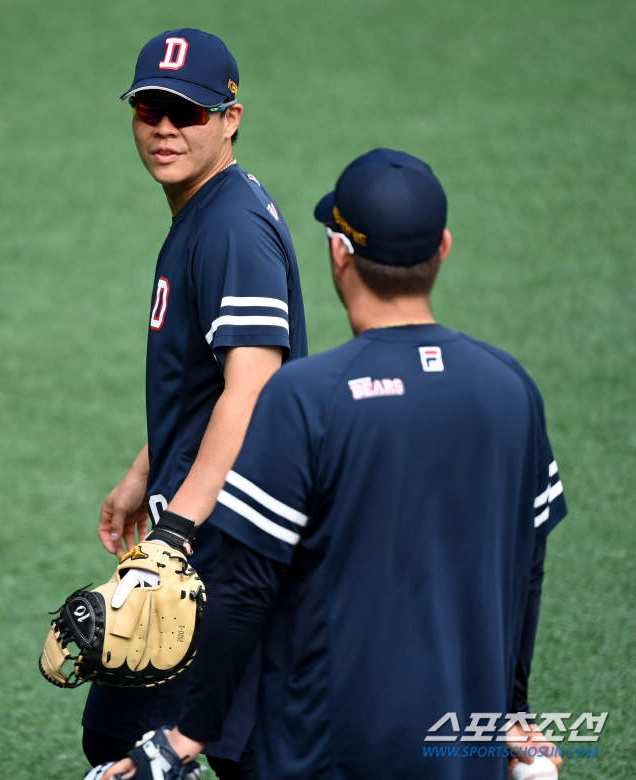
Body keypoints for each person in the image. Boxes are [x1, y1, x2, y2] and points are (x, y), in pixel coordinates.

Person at [100, 148, 566, 780]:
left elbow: (247, 588)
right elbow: (528, 569)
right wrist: (513, 710)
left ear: (338, 253)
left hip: (332, 743)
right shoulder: (511, 389)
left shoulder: (306, 398)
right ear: (444, 248)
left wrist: (187, 736)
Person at [81, 28, 307, 780]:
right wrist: (145, 470)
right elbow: (205, 383)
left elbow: (254, 387)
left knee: (237, 754)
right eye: (151, 109)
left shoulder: (233, 227)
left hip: (227, 538)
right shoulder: (206, 212)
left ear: (230, 119)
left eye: (189, 112)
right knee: (124, 734)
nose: (166, 129)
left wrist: (176, 531)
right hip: (202, 525)